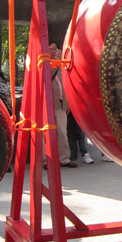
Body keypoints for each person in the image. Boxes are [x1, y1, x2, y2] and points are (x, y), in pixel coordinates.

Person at [45, 41, 77, 169]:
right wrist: (55, 64)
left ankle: (64, 158)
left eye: (54, 49)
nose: (53, 51)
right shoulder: (44, 64)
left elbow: (65, 86)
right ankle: (47, 160)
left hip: (61, 104)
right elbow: (47, 78)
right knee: (46, 134)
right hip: (47, 104)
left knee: (62, 132)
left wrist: (68, 104)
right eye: (50, 49)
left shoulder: (61, 66)